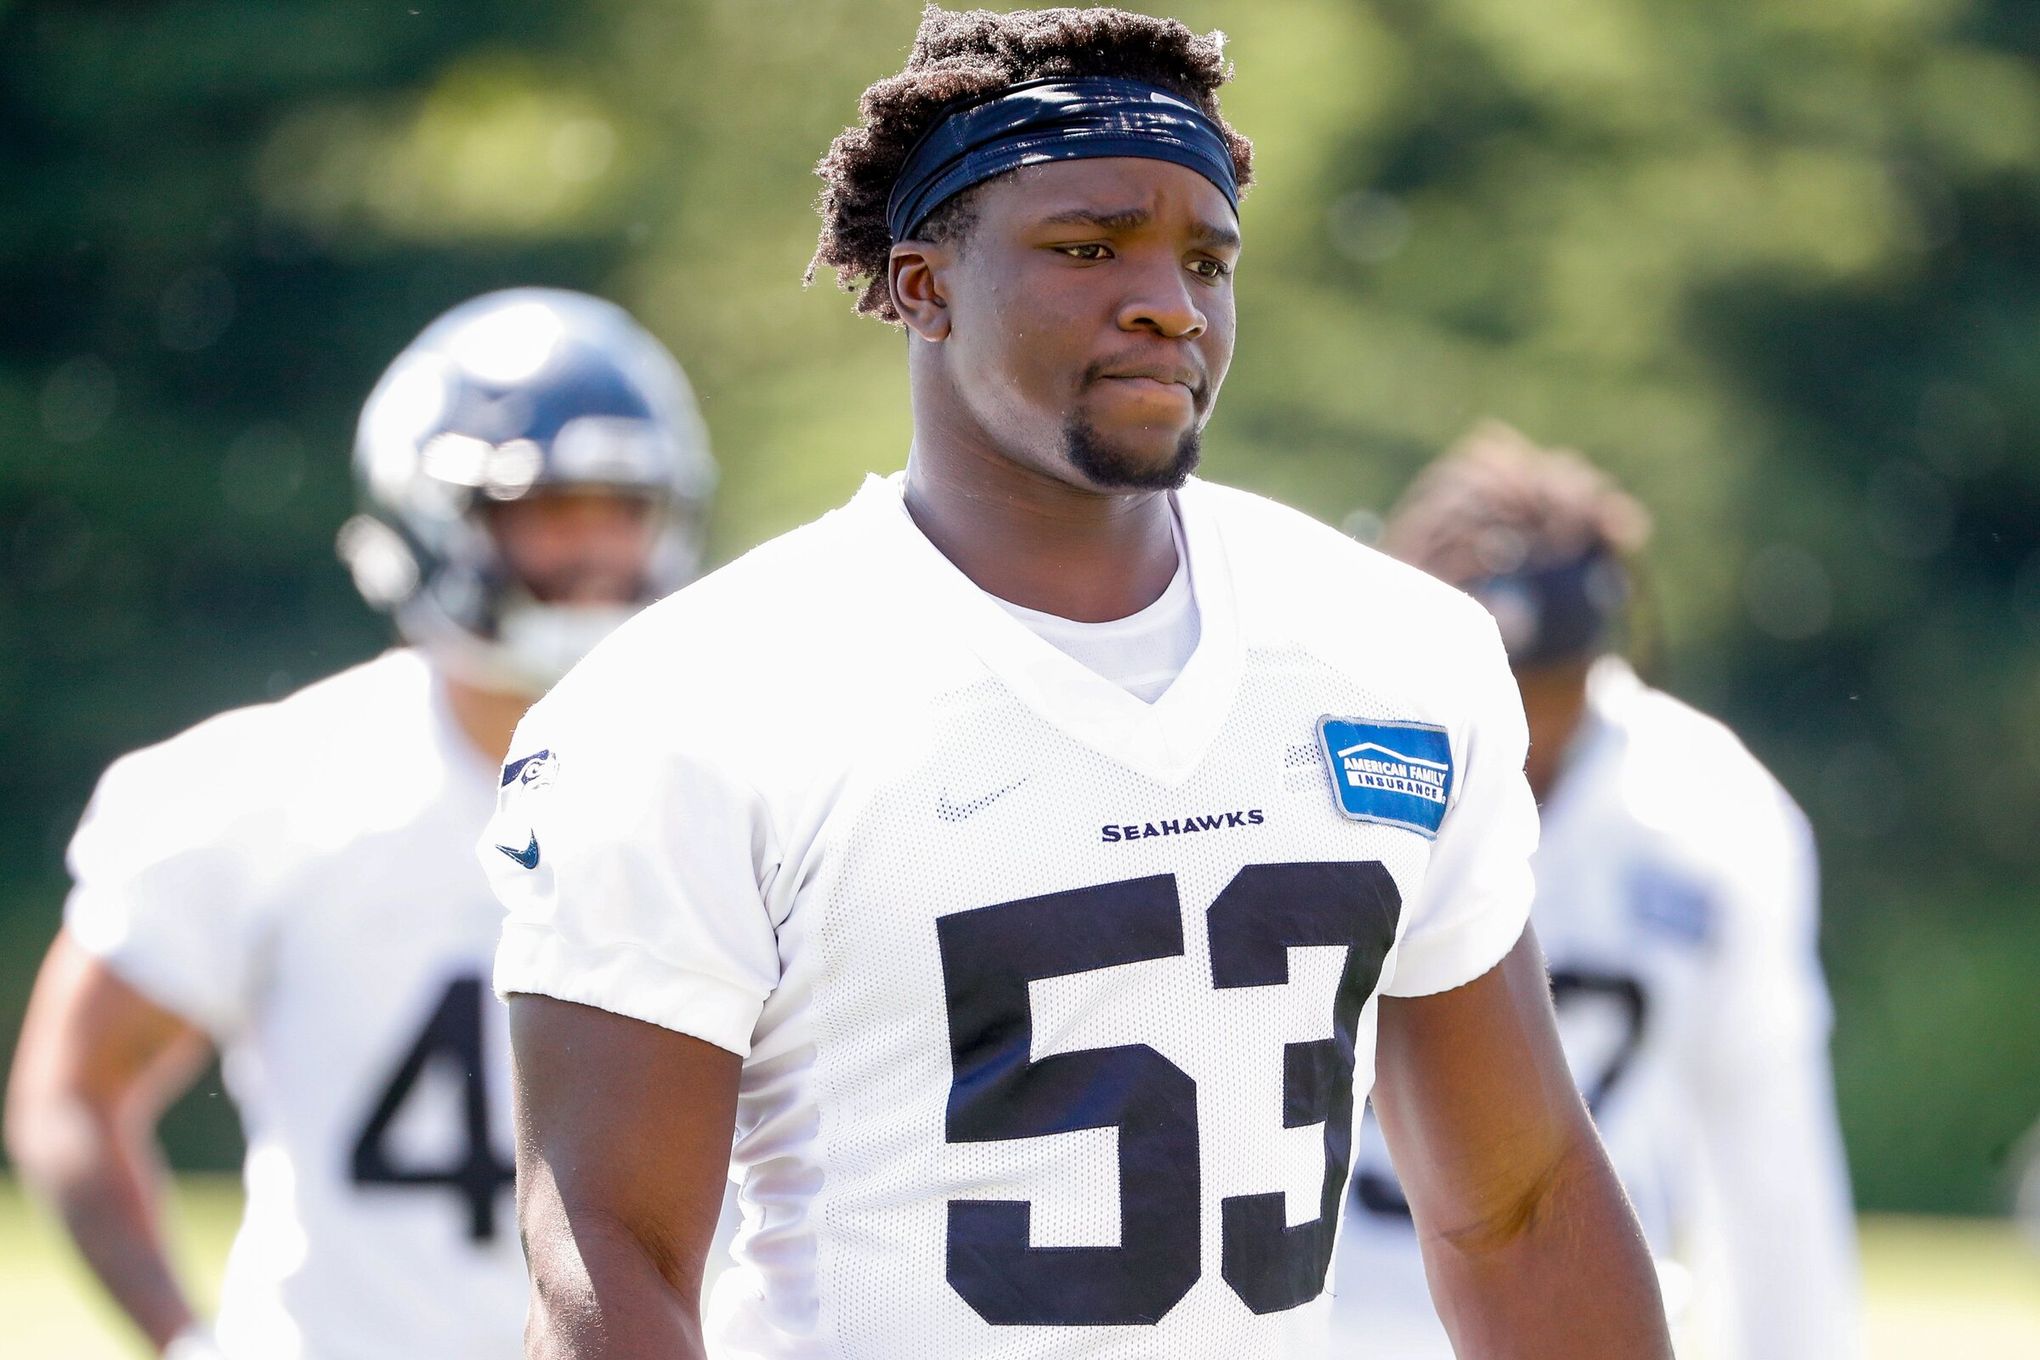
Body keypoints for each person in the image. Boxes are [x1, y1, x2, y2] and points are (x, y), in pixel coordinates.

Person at [484, 9, 1672, 1359]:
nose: (1169, 299)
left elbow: (1517, 1210)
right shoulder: (695, 705)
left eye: (1206, 257)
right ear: (922, 285)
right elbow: (609, 1262)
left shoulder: (1399, 653)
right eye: (1087, 247)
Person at [5, 289, 717, 1360]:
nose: (592, 550)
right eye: (547, 509)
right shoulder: (261, 786)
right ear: (432, 517)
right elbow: (73, 1087)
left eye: (620, 508)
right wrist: (183, 1340)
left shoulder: (745, 785)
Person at [1333, 422, 1861, 1358]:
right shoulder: (1309, 757)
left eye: (1544, 684)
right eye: (1490, 680)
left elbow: (1769, 1153)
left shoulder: (1712, 808)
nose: (1520, 726)